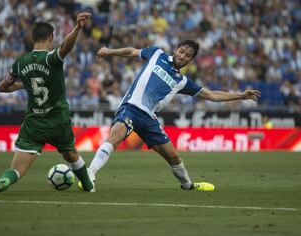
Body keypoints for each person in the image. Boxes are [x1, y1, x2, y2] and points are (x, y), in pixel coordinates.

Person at [80, 40, 261, 191]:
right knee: (115, 137)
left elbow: (212, 95)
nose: (182, 56)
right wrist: (108, 51)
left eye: (187, 55)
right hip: (131, 107)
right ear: (176, 49)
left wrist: (241, 95)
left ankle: (189, 186)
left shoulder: (182, 81)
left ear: (190, 61)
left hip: (149, 118)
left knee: (174, 157)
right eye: (181, 51)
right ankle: (90, 174)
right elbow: (131, 52)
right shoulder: (156, 54)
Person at [0, 12, 95, 195]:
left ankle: (6, 179)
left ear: (33, 38)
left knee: (17, 168)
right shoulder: (50, 58)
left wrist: (23, 84)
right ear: (51, 37)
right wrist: (77, 28)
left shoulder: (21, 62)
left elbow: (3, 87)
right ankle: (88, 186)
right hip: (58, 120)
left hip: (34, 123)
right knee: (71, 154)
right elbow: (65, 47)